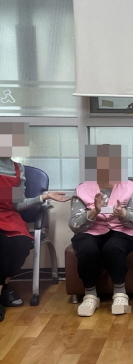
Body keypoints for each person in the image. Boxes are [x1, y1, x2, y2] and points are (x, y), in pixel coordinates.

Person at [0, 121, 69, 322]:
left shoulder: (17, 170)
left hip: (9, 217)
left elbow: (17, 204)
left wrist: (43, 197)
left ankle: (4, 287)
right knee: (3, 246)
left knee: (21, 245)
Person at [69, 144, 133, 317]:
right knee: (87, 249)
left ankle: (120, 294)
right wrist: (93, 212)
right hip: (91, 231)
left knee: (113, 248)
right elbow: (74, 224)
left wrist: (123, 214)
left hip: (124, 231)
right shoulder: (81, 189)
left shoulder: (129, 187)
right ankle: (90, 295)